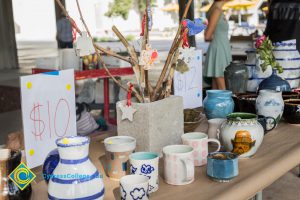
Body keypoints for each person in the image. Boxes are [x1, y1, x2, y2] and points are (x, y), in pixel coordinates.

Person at [204, 0, 232, 90]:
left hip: (220, 48)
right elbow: (207, 36)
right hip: (219, 49)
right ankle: (226, 104)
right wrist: (219, 38)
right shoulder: (217, 11)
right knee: (222, 87)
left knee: (216, 88)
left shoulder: (216, 9)